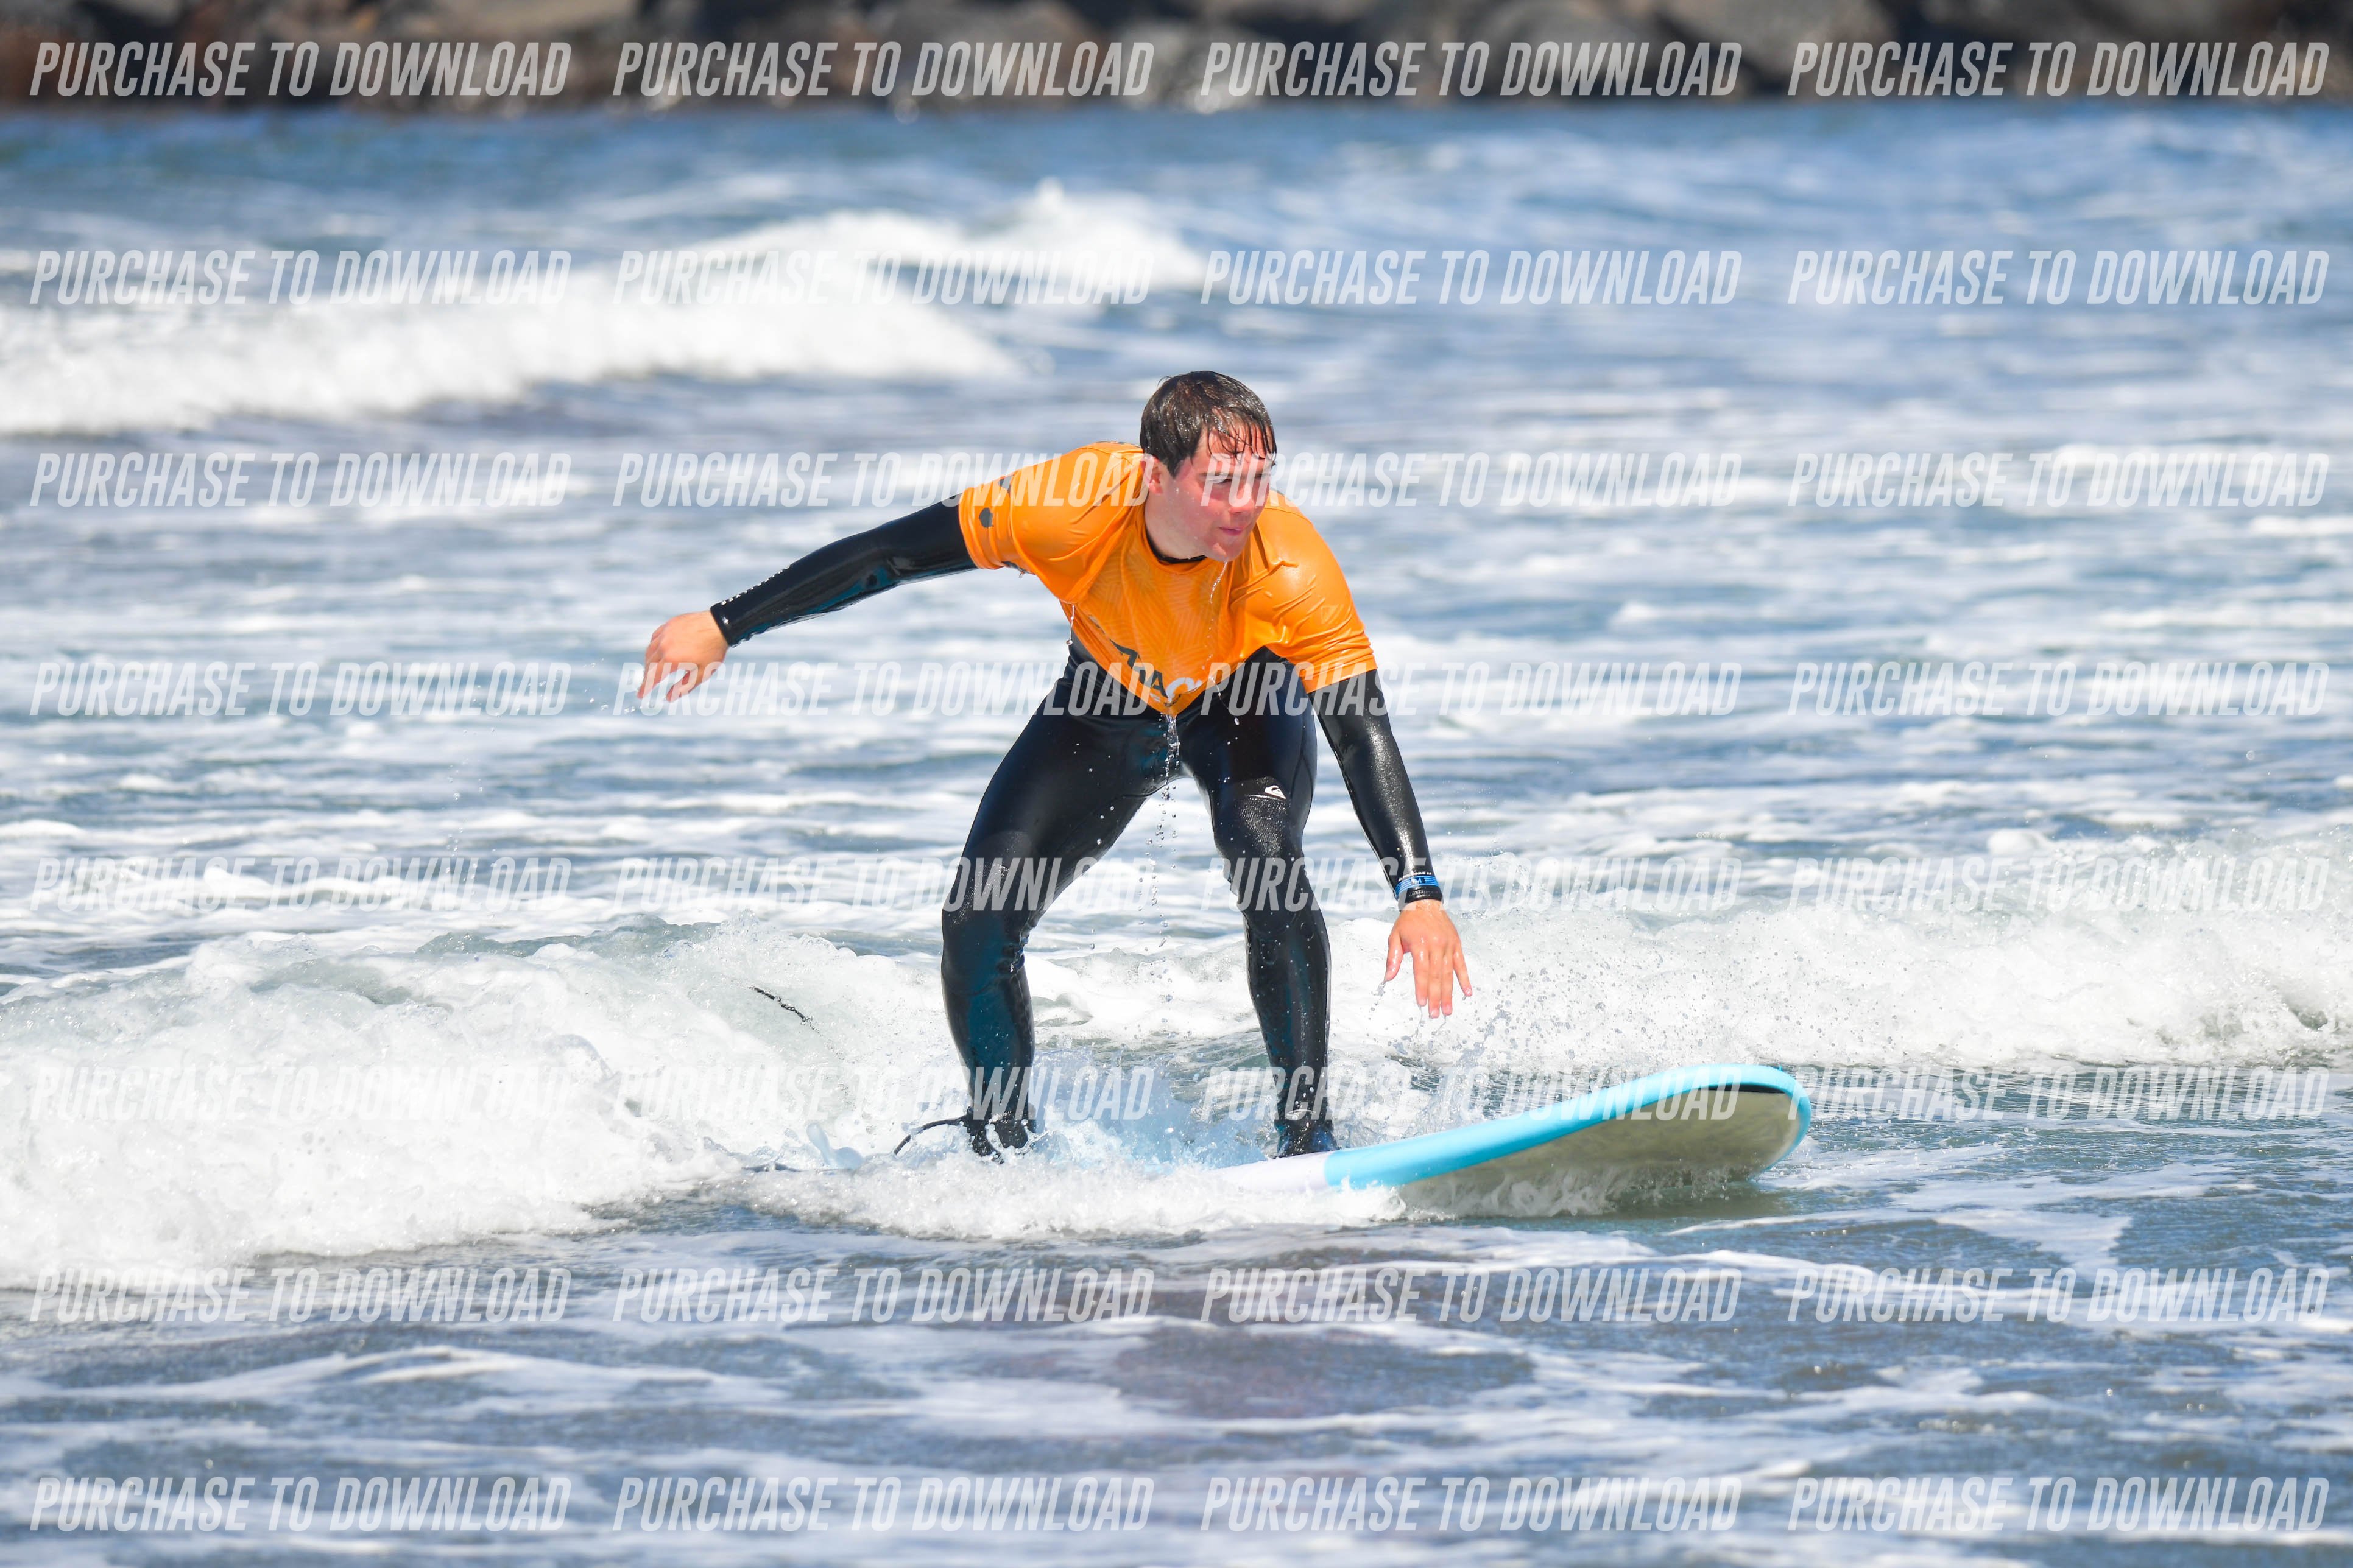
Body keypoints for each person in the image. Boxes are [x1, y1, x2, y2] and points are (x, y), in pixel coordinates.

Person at [640, 372, 1470, 1158]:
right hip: (1107, 699)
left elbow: (1360, 732)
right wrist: (726, 623)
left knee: (1265, 854)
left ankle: (1307, 1137)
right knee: (979, 916)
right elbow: (889, 554)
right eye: (1221, 483)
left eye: (1261, 479)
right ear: (1155, 476)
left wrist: (1419, 894)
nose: (1247, 505)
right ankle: (1000, 1147)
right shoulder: (1065, 505)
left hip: (1245, 702)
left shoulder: (1290, 565)